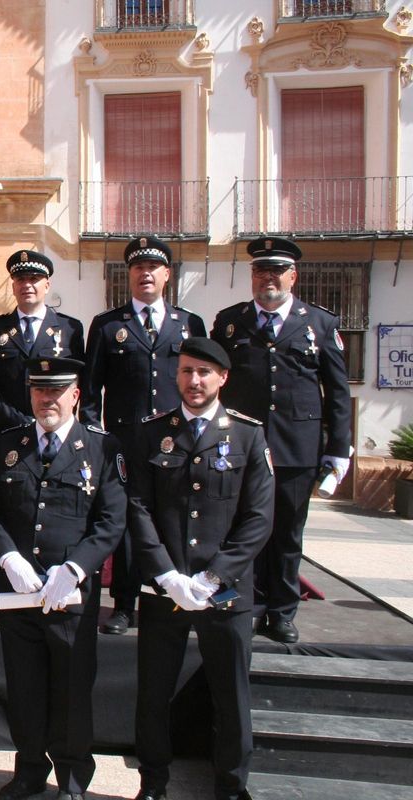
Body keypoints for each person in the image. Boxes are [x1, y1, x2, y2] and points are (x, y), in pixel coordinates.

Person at [127, 337, 275, 800]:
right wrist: (167, 575)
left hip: (225, 590)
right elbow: (137, 507)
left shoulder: (249, 434)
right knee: (153, 695)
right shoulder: (152, 432)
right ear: (177, 375)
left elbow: (259, 519)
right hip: (165, 587)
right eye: (187, 371)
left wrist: (213, 577)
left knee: (231, 696)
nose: (194, 381)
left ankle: (230, 786)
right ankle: (153, 782)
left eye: (204, 373)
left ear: (222, 378)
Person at [0, 357, 126, 800]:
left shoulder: (101, 447)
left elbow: (111, 520)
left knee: (72, 693)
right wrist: (7, 559)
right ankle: (29, 772)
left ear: (75, 395)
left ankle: (73, 780)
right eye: (39, 391)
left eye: (56, 391)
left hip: (70, 599)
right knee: (24, 689)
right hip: (19, 597)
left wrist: (77, 567)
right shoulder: (9, 444)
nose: (47, 399)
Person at [211, 236, 350, 644]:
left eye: (275, 271)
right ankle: (248, 604)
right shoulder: (230, 322)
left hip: (296, 448)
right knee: (243, 530)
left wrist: (338, 448)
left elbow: (337, 392)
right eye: (259, 270)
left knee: (288, 533)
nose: (267, 278)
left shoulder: (320, 324)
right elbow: (216, 381)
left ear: (293, 276)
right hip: (242, 448)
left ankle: (282, 611)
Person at [81, 236, 206, 636]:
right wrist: (97, 437)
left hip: (175, 445)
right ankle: (122, 603)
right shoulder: (108, 325)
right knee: (124, 524)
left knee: (172, 520)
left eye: (153, 268)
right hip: (124, 444)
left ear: (166, 275)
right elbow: (91, 389)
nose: (145, 274)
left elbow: (199, 385)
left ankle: (168, 594)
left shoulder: (188, 324)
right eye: (137, 268)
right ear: (129, 275)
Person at [0, 250, 85, 431]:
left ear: (47, 285)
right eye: (21, 279)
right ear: (13, 287)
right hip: (9, 431)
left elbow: (79, 380)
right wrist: (15, 420)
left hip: (56, 429)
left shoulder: (70, 328)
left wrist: (57, 420)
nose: (27, 285)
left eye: (34, 279)